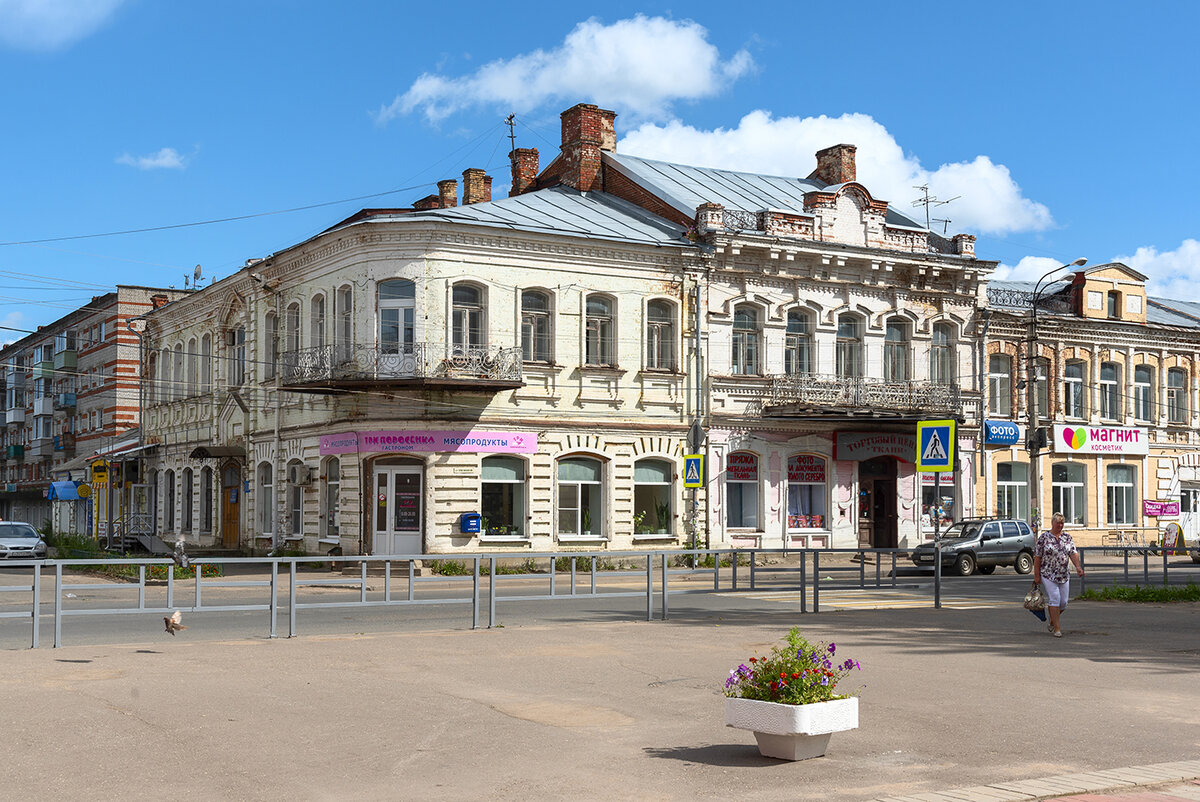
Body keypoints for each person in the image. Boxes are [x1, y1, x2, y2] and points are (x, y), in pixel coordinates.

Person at [1033, 512, 1084, 637]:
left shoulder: (1067, 537)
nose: (1060, 525)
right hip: (1048, 573)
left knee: (1064, 603)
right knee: (1055, 599)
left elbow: (1073, 553)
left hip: (1063, 574)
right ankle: (1057, 628)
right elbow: (1037, 557)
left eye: (1062, 523)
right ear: (1052, 523)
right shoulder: (1044, 538)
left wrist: (1078, 567)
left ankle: (1052, 619)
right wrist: (1037, 575)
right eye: (1058, 523)